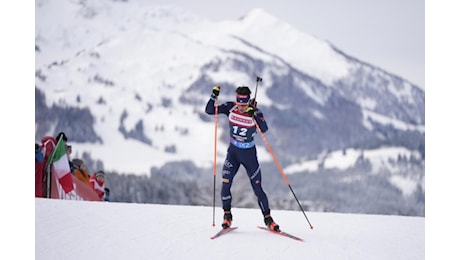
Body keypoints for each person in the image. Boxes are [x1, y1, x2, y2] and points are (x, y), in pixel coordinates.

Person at [204, 85, 280, 231]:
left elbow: (264, 129)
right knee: (225, 183)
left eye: (244, 105)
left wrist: (254, 115)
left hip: (249, 155)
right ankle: (227, 216)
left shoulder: (255, 112)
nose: (241, 108)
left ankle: (268, 219)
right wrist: (214, 96)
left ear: (248, 102)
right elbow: (209, 110)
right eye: (239, 104)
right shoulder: (230, 107)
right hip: (233, 154)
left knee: (257, 189)